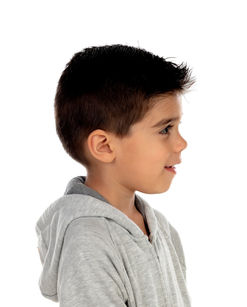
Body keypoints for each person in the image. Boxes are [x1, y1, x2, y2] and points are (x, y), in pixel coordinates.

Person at [35, 44, 196, 307]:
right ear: (105, 146)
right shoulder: (87, 240)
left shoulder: (163, 230)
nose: (181, 143)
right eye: (165, 129)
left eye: (178, 126)